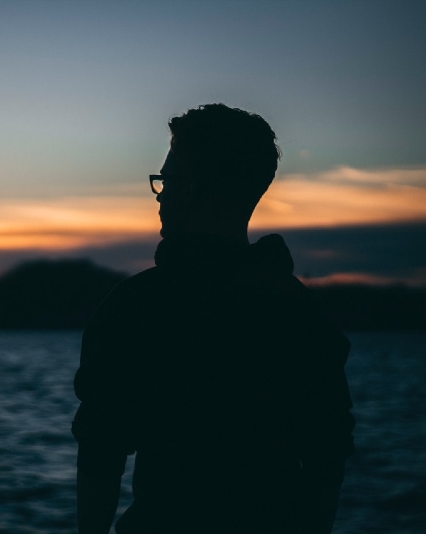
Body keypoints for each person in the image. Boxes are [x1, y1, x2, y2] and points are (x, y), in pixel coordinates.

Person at [72, 104, 354, 534]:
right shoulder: (302, 313)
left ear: (192, 188)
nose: (160, 194)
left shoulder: (138, 307)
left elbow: (101, 453)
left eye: (165, 181)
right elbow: (326, 459)